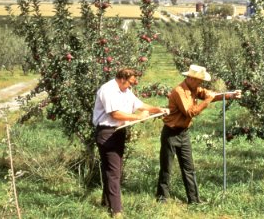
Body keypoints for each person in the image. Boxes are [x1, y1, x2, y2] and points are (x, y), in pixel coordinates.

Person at [155, 64, 241, 204]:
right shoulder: (179, 91)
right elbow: (190, 112)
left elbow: (210, 95)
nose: (201, 84)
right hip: (171, 133)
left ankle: (194, 200)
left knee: (189, 167)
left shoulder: (194, 88)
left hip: (183, 133)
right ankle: (162, 197)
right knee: (167, 166)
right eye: (199, 81)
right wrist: (207, 101)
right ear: (190, 78)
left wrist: (230, 95)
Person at [93, 68, 169, 218]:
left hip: (119, 131)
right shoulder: (107, 90)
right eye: (129, 84)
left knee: (114, 170)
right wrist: (138, 117)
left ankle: (106, 202)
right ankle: (116, 211)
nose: (130, 87)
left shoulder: (125, 90)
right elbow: (115, 114)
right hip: (107, 133)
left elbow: (139, 105)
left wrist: (157, 109)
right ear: (122, 79)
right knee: (114, 172)